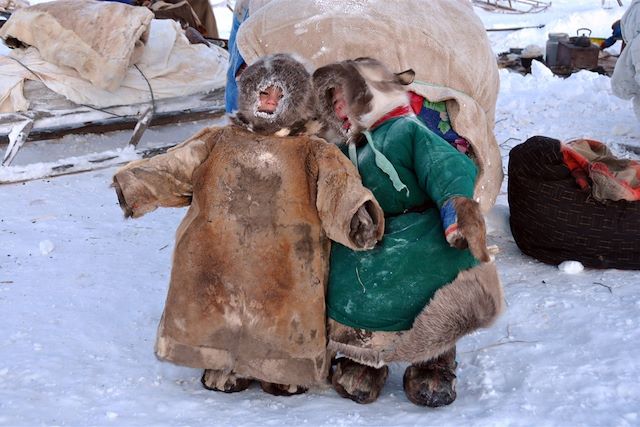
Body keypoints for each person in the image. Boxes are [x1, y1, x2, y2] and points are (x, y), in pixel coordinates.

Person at [112, 53, 384, 396]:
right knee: (221, 311)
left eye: (279, 97)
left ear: (296, 103)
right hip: (219, 252)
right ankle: (224, 361)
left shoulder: (312, 150)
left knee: (284, 315)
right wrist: (137, 184)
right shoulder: (218, 140)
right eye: (264, 95)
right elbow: (177, 166)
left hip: (287, 259)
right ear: (250, 95)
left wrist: (353, 215)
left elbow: (337, 186)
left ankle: (285, 368)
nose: (270, 104)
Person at [312, 57, 504, 407]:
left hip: (420, 230)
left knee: (432, 283)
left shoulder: (406, 130)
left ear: (370, 93)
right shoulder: (341, 151)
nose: (339, 107)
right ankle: (364, 358)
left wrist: (455, 207)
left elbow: (442, 165)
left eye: (345, 97)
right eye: (333, 102)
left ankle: (434, 360)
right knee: (352, 284)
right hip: (368, 239)